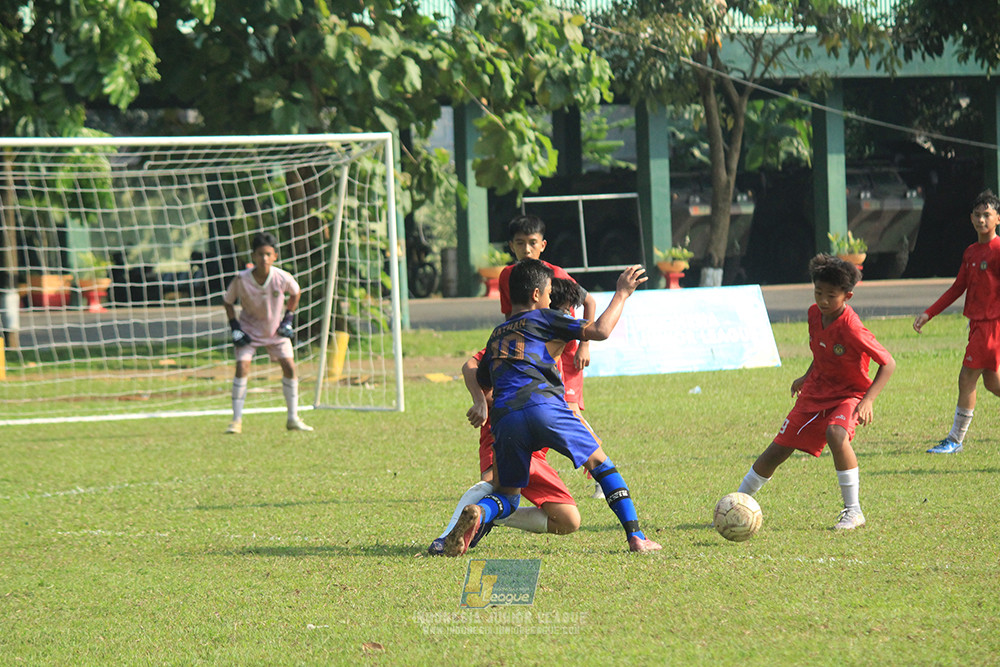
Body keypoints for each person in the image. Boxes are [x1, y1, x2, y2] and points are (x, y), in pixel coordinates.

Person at [442, 259, 662, 556]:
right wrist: (622, 293)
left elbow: (481, 377)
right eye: (547, 293)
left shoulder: (497, 335)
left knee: (508, 497)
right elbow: (601, 330)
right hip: (544, 406)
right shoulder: (545, 318)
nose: (549, 298)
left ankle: (480, 512)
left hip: (505, 419)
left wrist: (480, 401)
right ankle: (637, 537)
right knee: (601, 465)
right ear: (536, 294)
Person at [426, 279, 588, 556]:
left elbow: (563, 407)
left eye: (569, 313)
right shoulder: (519, 338)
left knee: (568, 521)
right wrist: (481, 401)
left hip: (536, 451)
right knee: (494, 482)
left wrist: (587, 443)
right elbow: (471, 365)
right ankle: (444, 539)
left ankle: (486, 515)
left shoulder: (557, 351)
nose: (567, 318)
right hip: (505, 432)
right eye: (561, 311)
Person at [735, 254, 894, 530]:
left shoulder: (852, 327)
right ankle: (737, 503)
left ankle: (853, 511)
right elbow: (822, 350)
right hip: (816, 392)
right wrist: (806, 376)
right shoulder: (814, 314)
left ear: (847, 296)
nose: (823, 300)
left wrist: (868, 400)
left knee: (836, 434)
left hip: (850, 394)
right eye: (818, 292)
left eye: (831, 295)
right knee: (777, 450)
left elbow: (888, 363)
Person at [499, 215, 605, 498]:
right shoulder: (508, 276)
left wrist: (584, 346)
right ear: (511, 246)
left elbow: (589, 301)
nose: (526, 249)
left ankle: (600, 470)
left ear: (543, 245)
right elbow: (512, 317)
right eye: (520, 243)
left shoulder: (555, 273)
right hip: (536, 356)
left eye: (532, 243)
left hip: (566, 353)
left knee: (569, 412)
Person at [913, 189, 1000, 454]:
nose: (981, 219)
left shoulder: (998, 250)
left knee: (967, 377)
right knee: (992, 383)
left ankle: (955, 439)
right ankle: (955, 440)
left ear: (998, 218)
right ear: (971, 218)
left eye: (987, 215)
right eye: (977, 215)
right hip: (977, 325)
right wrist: (929, 313)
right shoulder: (971, 252)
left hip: (991, 325)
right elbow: (957, 288)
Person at [222, 232, 313, 434]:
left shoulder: (281, 277)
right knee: (242, 367)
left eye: (268, 254)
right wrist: (235, 327)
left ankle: (293, 418)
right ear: (253, 256)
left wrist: (288, 319)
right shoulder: (241, 279)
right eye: (260, 254)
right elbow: (228, 301)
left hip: (275, 331)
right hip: (249, 330)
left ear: (275, 257)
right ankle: (236, 420)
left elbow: (296, 292)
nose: (264, 258)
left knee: (289, 367)